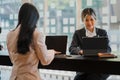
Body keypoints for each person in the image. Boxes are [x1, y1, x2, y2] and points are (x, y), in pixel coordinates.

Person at [6, 3, 60, 80]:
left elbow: (12, 59)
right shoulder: (36, 34)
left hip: (14, 77)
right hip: (30, 77)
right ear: (33, 19)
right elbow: (45, 60)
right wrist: (52, 52)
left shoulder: (9, 35)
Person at [69, 8, 111, 80]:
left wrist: (102, 52)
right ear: (83, 21)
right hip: (84, 68)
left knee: (91, 78)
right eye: (86, 20)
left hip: (100, 68)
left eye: (91, 19)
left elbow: (108, 49)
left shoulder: (102, 32)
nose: (89, 22)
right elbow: (72, 48)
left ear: (95, 19)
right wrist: (79, 51)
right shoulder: (78, 33)